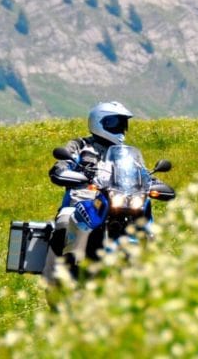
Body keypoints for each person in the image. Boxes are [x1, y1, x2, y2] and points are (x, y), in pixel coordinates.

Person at [42, 101, 134, 284]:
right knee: (63, 220)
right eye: (115, 122)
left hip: (114, 203)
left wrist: (152, 182)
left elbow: (139, 172)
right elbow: (61, 165)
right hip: (81, 202)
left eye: (122, 123)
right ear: (100, 122)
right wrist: (63, 172)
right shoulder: (80, 145)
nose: (120, 128)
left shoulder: (124, 154)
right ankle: (53, 278)